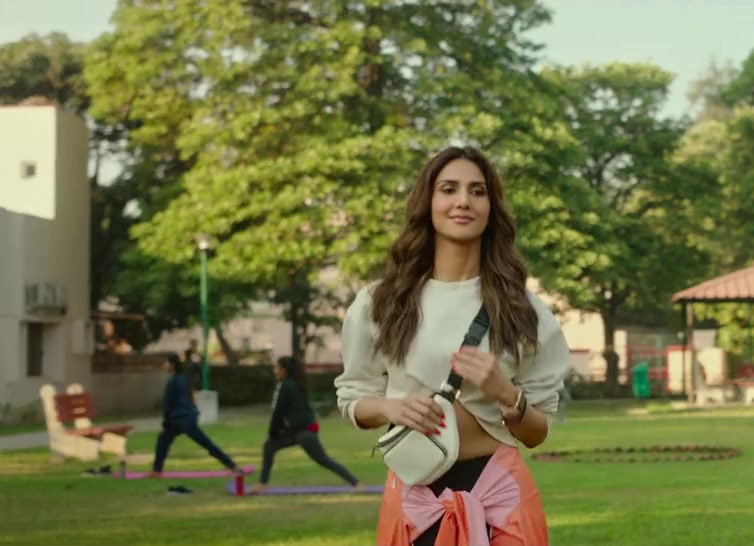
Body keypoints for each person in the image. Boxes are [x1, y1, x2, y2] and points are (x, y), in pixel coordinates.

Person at [335, 146, 571, 546]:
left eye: (477, 191)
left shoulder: (523, 310)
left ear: (491, 208)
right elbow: (353, 398)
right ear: (428, 202)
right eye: (449, 189)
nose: (463, 201)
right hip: (415, 495)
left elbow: (537, 433)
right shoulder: (382, 302)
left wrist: (507, 394)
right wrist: (391, 408)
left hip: (500, 495)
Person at [248, 356, 362, 495]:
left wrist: (273, 434)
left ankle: (356, 483)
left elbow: (279, 413)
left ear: (284, 370)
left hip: (303, 431)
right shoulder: (294, 384)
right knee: (269, 447)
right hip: (299, 429)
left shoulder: (287, 386)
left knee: (323, 460)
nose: (275, 370)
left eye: (277, 368)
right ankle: (262, 484)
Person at [149, 355, 243, 477]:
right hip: (186, 417)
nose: (164, 366)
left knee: (204, 443)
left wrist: (165, 421)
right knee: (164, 440)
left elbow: (168, 403)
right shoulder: (184, 378)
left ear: (172, 365)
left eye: (166, 363)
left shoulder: (172, 382)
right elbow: (191, 397)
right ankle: (157, 470)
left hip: (180, 419)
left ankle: (232, 466)